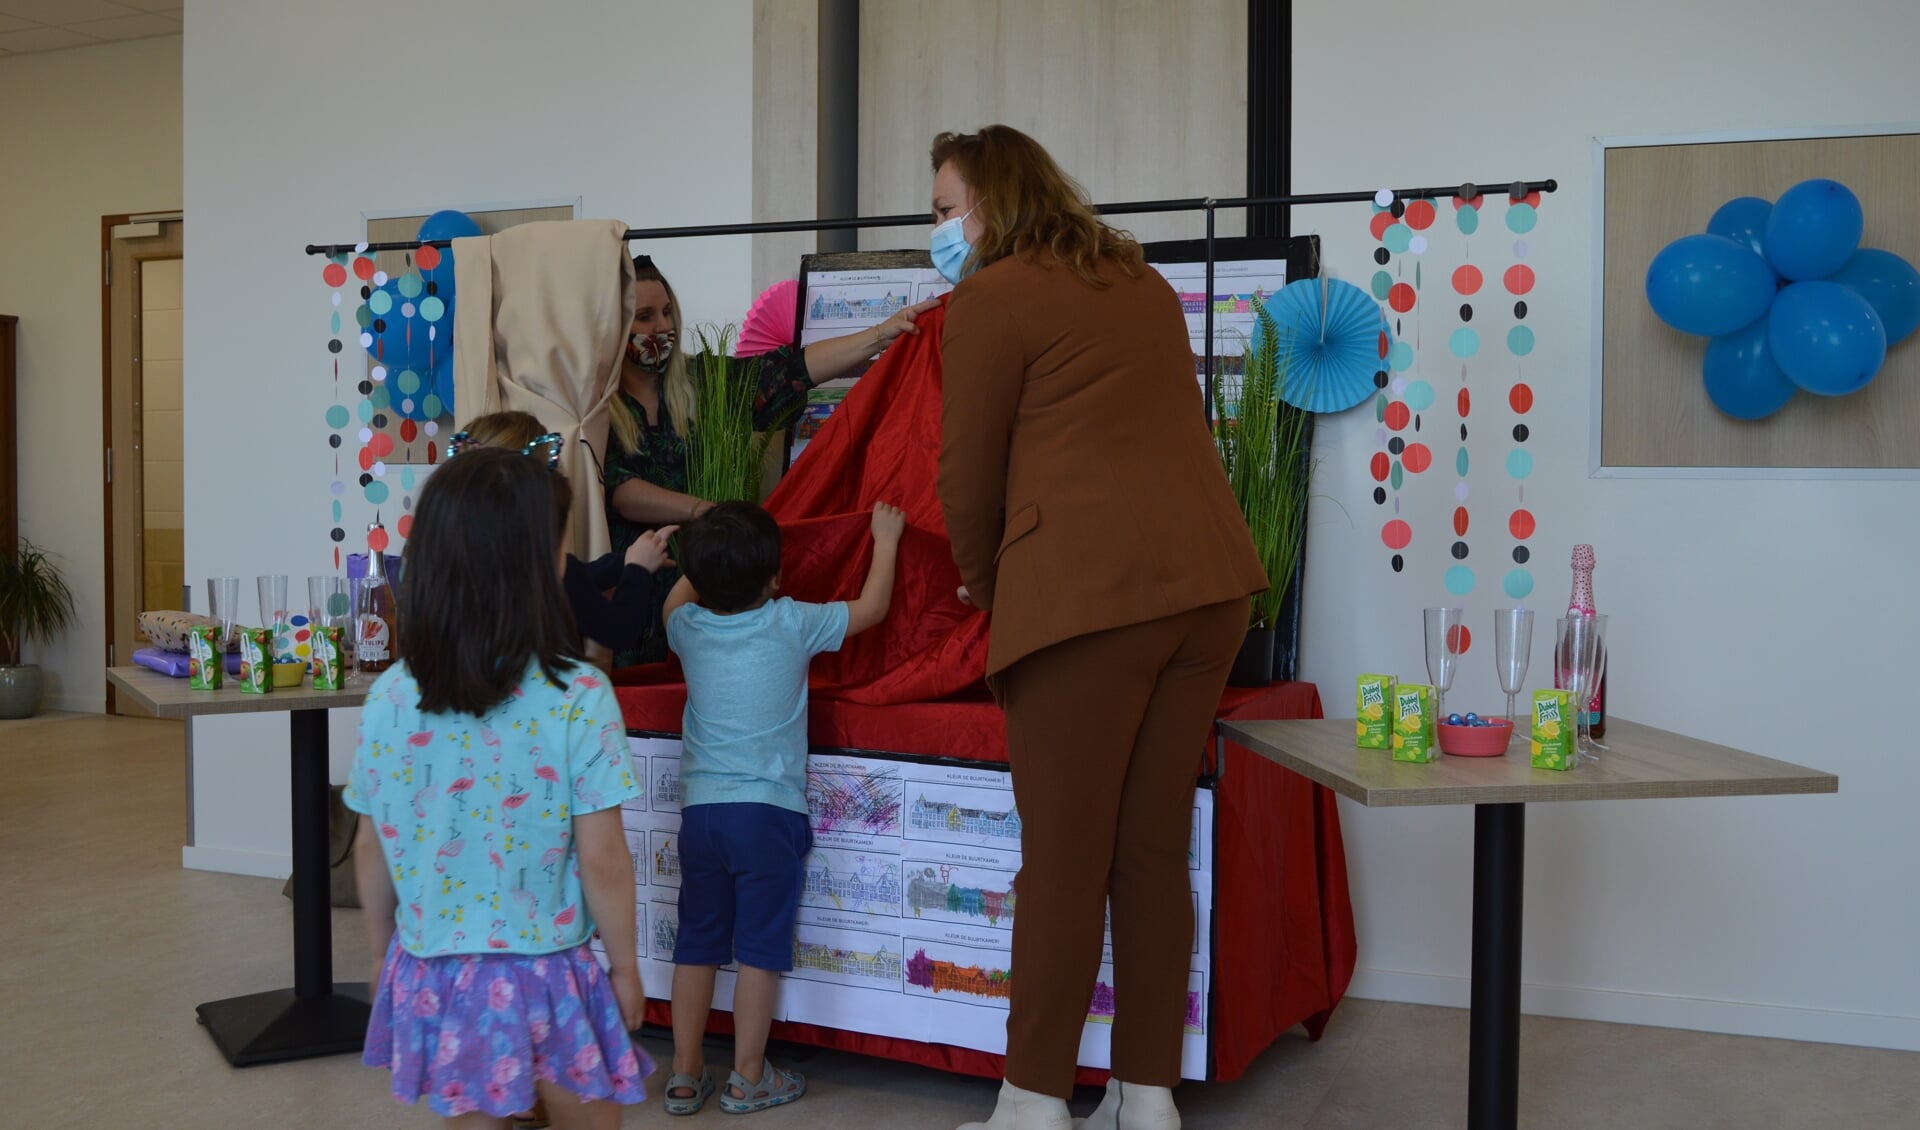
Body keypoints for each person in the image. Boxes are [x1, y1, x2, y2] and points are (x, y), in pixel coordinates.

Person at [932, 126, 1268, 1130]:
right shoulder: (1138, 279)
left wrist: (997, 590)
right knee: (1153, 852)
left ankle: (1033, 1100)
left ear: (990, 204)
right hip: (1207, 585)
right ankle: (1145, 1092)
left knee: (1066, 859)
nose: (939, 229)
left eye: (946, 207)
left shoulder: (990, 297)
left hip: (1089, 599)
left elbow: (966, 478)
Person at [345, 446, 652, 1130]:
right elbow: (603, 856)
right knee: (588, 1113)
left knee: (473, 1116)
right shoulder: (579, 695)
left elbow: (370, 845)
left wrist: (377, 950)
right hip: (547, 971)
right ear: (537, 564)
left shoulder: (390, 696)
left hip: (436, 970)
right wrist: (626, 967)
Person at [654, 499, 905, 1115]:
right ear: (774, 578)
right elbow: (871, 610)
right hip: (767, 816)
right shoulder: (790, 621)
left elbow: (674, 600)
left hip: (701, 815)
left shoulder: (686, 628)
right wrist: (886, 537)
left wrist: (702, 559)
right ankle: (748, 1077)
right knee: (760, 952)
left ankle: (685, 1076)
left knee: (697, 944)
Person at [601, 255, 935, 666]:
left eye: (668, 312)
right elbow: (620, 491)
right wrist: (706, 511)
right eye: (645, 317)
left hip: (715, 587)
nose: (663, 327)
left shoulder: (704, 382)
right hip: (635, 595)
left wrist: (882, 333)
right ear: (612, 327)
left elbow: (791, 371)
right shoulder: (596, 408)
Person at [453, 410, 678, 659]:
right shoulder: (547, 574)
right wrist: (639, 570)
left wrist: (627, 560)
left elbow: (578, 573)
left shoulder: (449, 568)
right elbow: (618, 629)